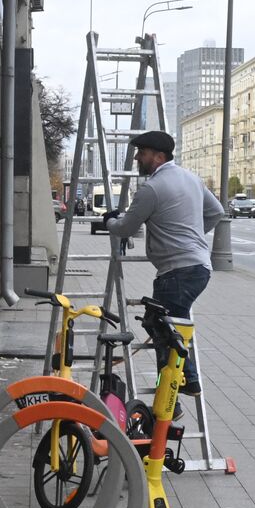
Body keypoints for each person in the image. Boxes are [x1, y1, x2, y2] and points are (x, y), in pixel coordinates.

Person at [103, 130, 225, 395]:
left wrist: (109, 220)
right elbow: (216, 212)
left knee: (162, 328)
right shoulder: (191, 178)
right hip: (198, 267)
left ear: (159, 157)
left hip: (177, 273)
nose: (137, 158)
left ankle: (183, 385)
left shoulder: (152, 188)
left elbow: (125, 228)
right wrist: (192, 236)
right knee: (166, 325)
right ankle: (175, 393)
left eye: (142, 153)